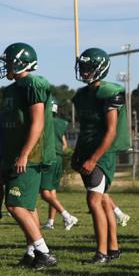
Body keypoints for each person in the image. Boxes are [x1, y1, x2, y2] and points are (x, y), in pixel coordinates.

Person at [0, 42, 60, 270]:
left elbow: (37, 121)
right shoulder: (13, 88)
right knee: (28, 206)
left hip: (30, 154)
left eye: (9, 61)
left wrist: (24, 154)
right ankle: (31, 253)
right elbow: (17, 119)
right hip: (16, 152)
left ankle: (44, 252)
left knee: (14, 205)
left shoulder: (33, 83)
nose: (5, 65)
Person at [72, 47, 127, 263]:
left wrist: (94, 158)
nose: (85, 71)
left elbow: (111, 131)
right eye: (83, 67)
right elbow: (85, 129)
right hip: (87, 151)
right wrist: (77, 152)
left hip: (100, 155)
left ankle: (101, 252)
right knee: (103, 201)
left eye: (89, 67)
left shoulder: (108, 92)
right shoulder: (83, 95)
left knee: (93, 201)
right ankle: (113, 248)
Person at [41, 99, 78, 232]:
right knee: (52, 192)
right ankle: (50, 222)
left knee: (44, 193)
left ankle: (67, 215)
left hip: (47, 158)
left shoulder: (43, 121)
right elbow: (64, 144)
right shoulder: (61, 123)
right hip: (59, 158)